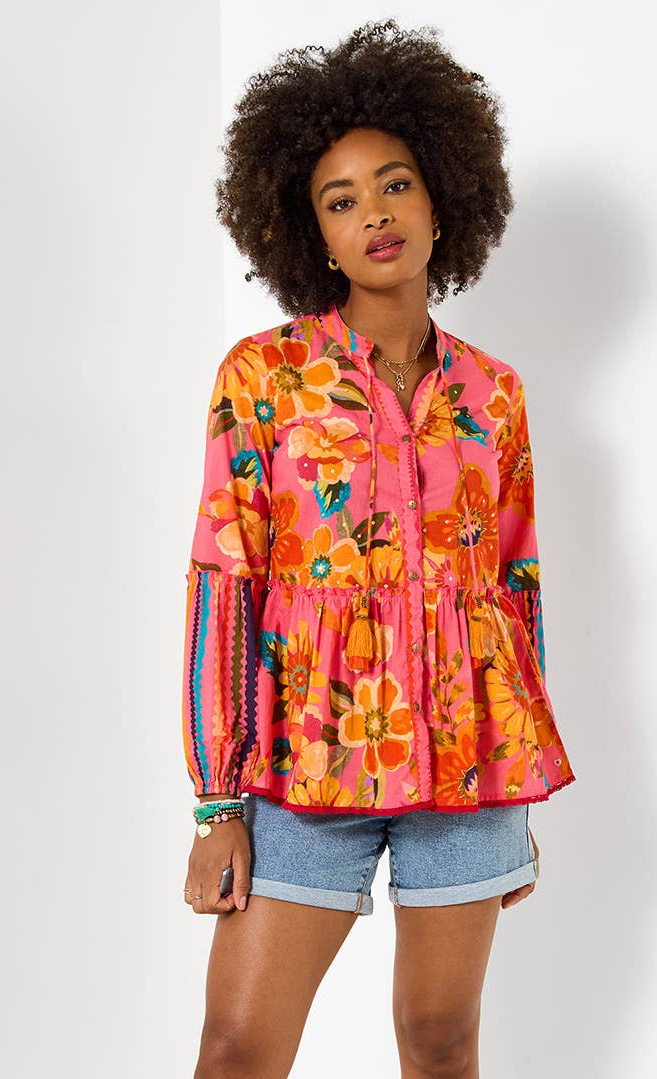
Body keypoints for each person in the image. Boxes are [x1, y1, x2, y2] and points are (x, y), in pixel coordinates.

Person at [181, 20, 576, 1078]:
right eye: (341, 200)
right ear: (312, 234)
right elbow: (224, 582)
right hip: (300, 763)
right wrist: (218, 800)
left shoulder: (495, 393)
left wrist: (517, 771)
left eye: (395, 185)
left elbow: (516, 585)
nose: (375, 214)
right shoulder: (263, 377)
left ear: (442, 200)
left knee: (441, 1041)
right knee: (237, 1047)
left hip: (470, 768)